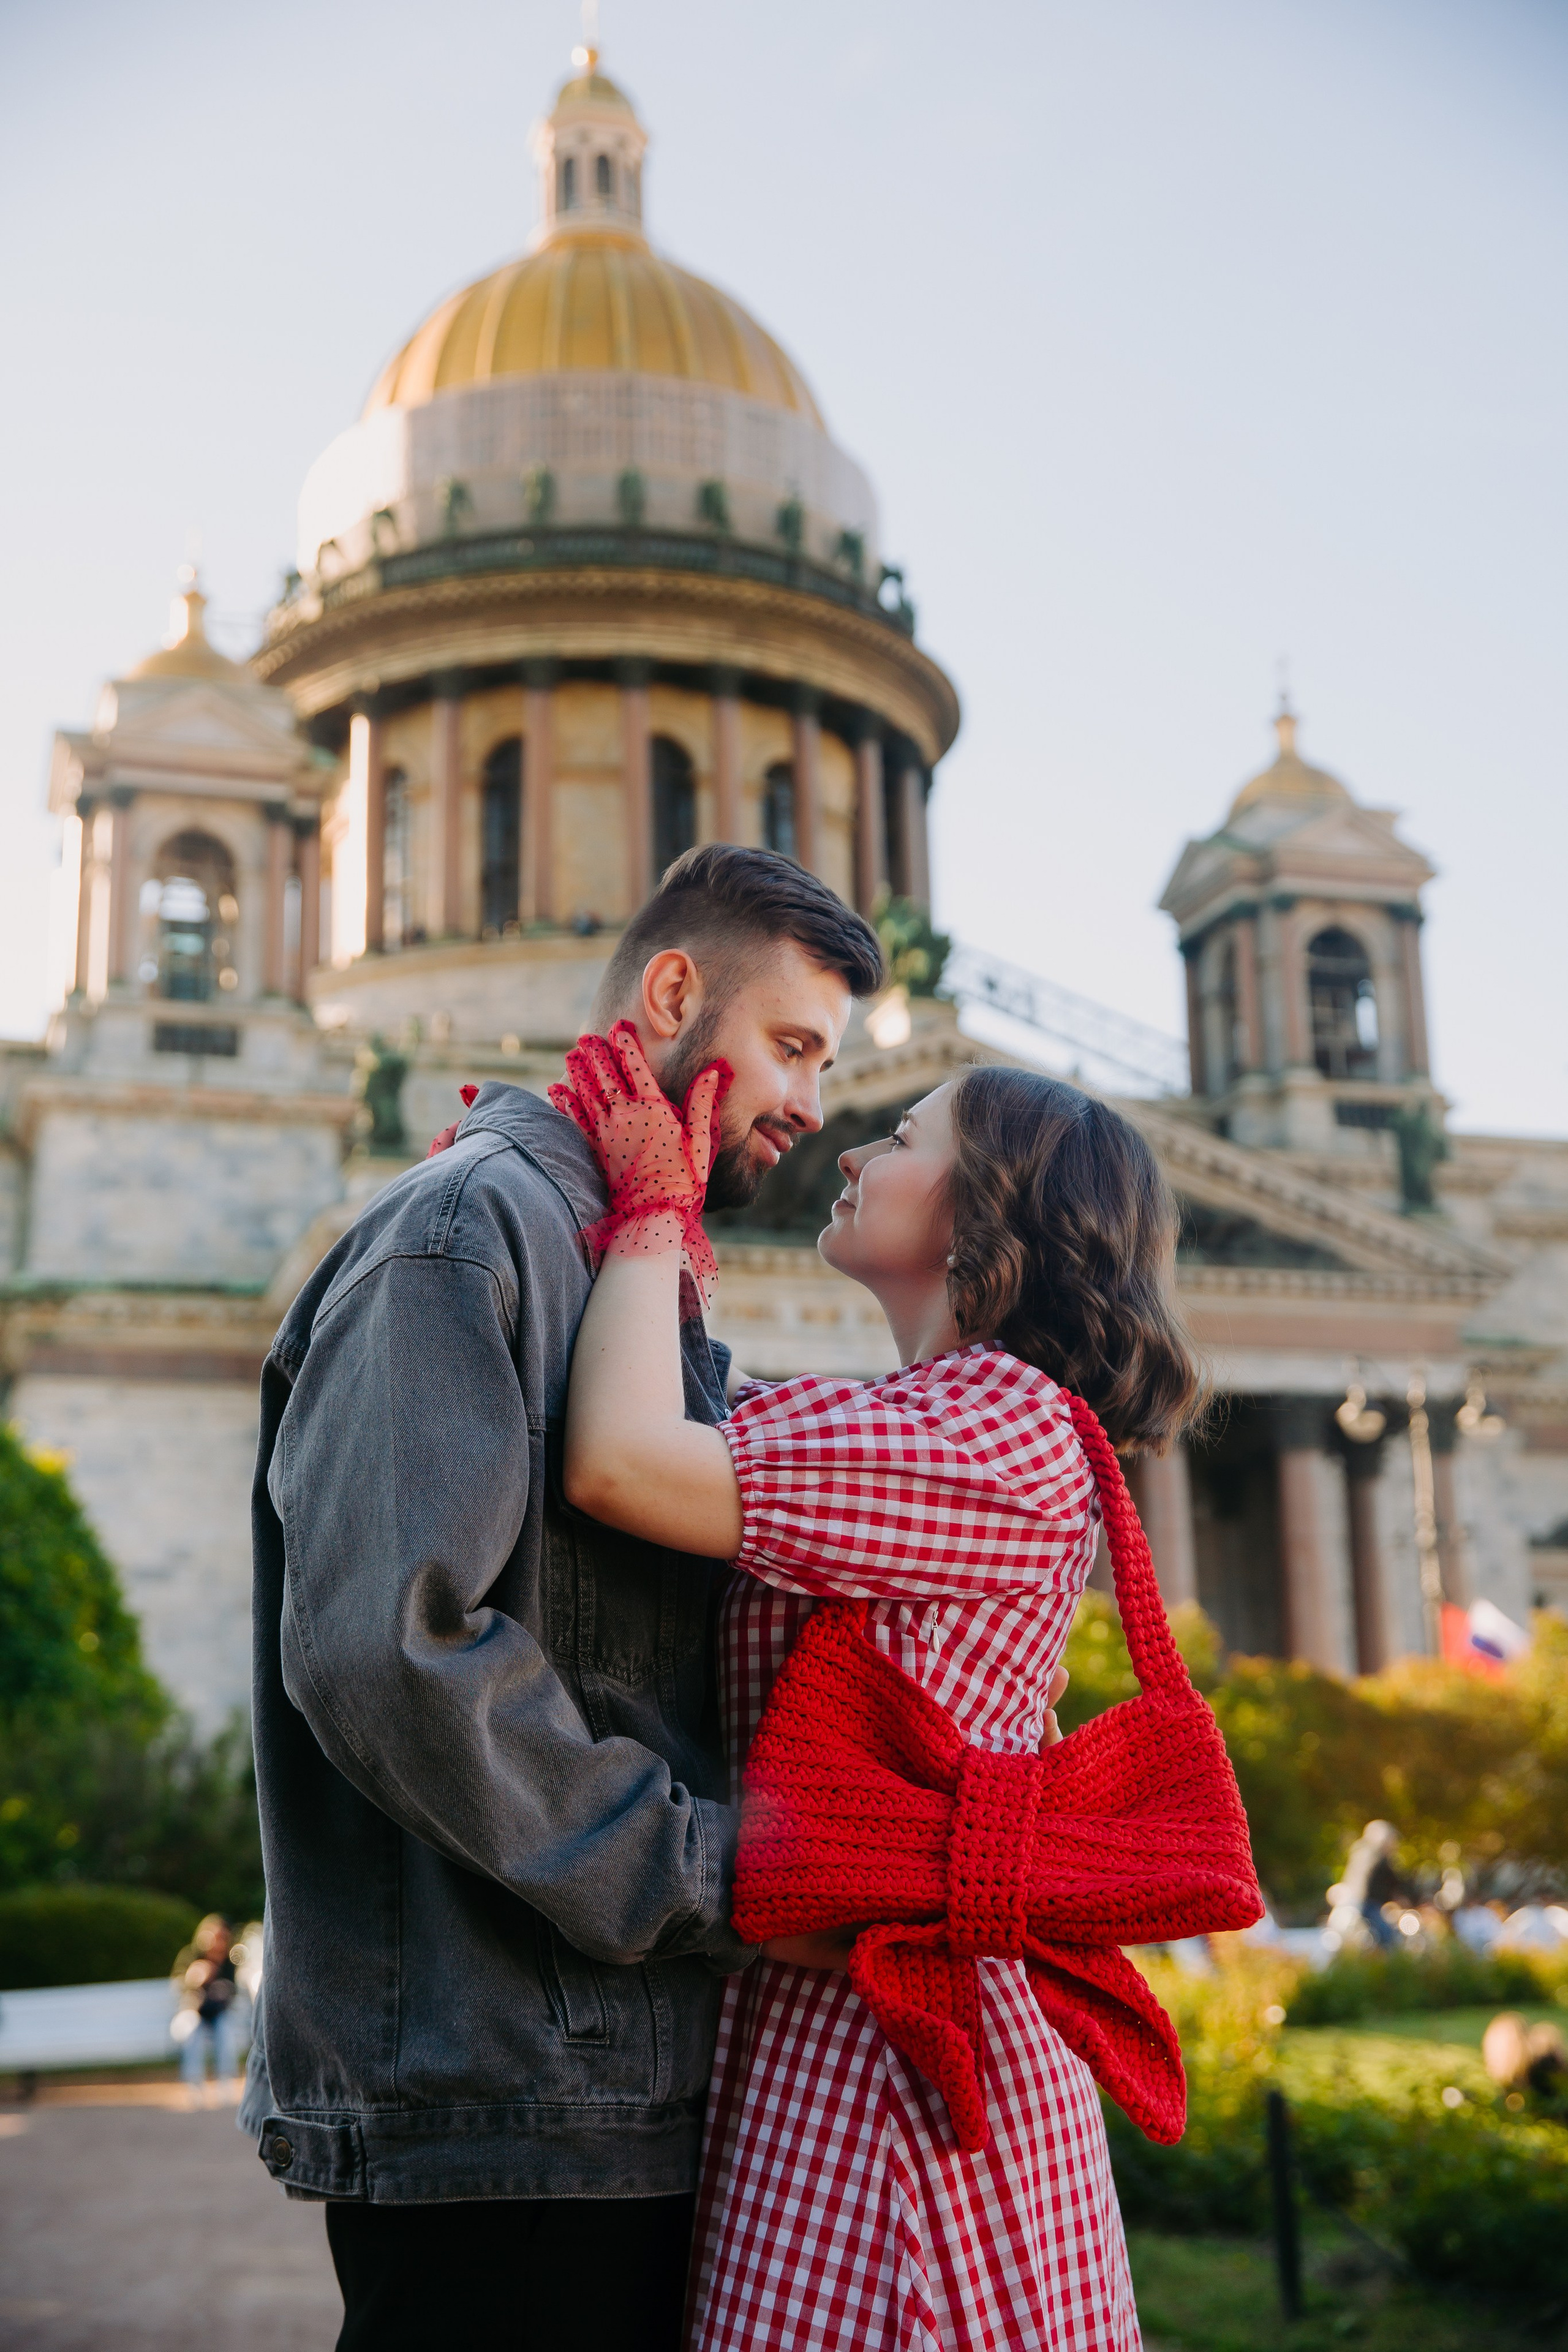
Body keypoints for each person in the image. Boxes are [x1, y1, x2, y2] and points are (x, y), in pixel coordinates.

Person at [241, 847, 884, 2352]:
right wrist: (718, 1873)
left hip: (585, 2085)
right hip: (506, 2106)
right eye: (792, 1045)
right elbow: (391, 1653)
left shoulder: (621, 1260)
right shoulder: (462, 1230)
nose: (812, 1101)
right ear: (670, 992)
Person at [561, 1033, 1202, 2351]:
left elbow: (622, 1461)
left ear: (988, 1209)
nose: (850, 1149)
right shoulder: (929, 1420)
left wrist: (655, 1207)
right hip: (852, 2031)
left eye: (904, 1138)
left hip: (894, 2085)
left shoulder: (988, 1429)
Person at [173, 1913, 239, 2094]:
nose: (216, 1943)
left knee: (225, 2031)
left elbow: (233, 1990)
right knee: (192, 2031)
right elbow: (178, 1986)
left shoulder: (229, 1962)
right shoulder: (191, 1956)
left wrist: (221, 1988)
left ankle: (226, 2082)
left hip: (218, 2012)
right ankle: (194, 2084)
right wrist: (194, 1978)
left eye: (222, 1938)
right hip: (192, 2010)